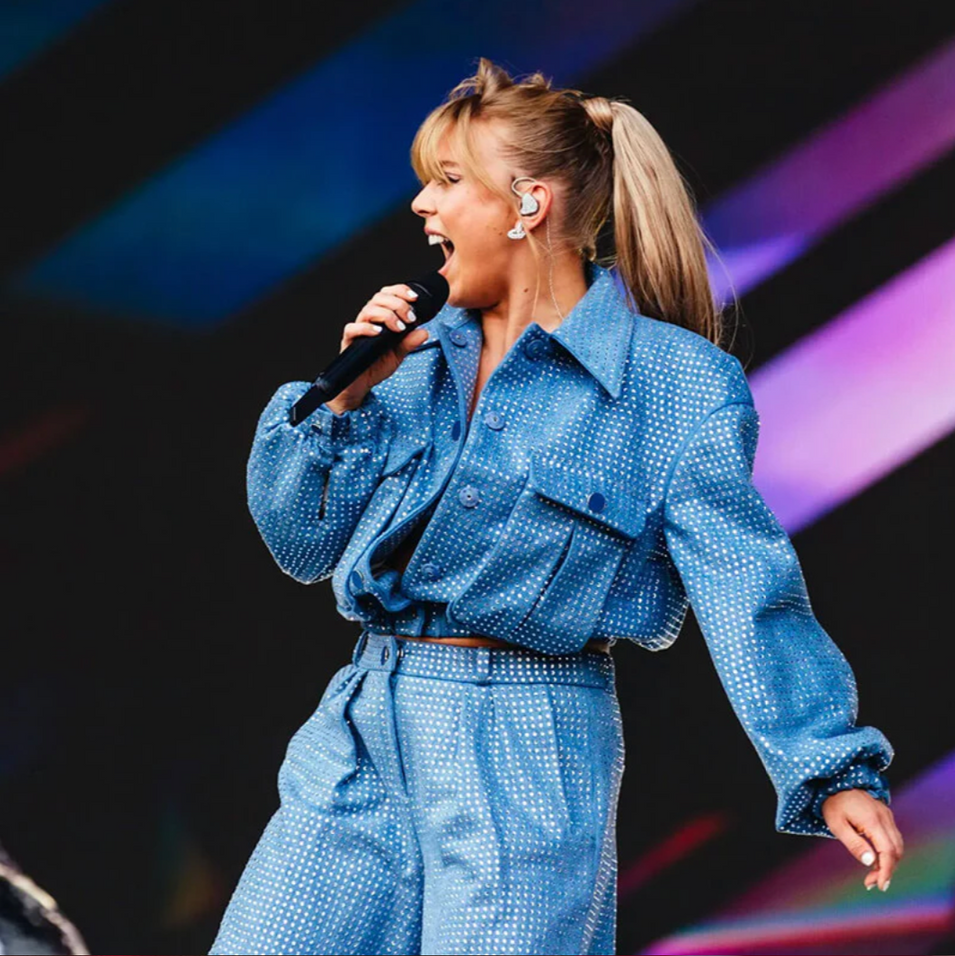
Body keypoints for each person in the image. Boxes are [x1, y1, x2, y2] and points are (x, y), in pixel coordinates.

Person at [209, 58, 904, 956]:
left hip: (526, 745)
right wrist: (340, 402)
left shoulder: (673, 389)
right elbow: (300, 542)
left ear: (526, 204)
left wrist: (830, 768)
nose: (422, 206)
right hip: (361, 728)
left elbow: (748, 591)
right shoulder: (413, 362)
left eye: (448, 182)